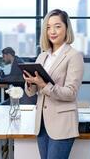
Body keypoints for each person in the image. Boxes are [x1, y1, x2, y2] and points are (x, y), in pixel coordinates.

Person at [23, 9, 84, 159]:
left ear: (66, 28)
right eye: (48, 27)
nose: (52, 31)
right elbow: (31, 92)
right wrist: (30, 83)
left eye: (57, 26)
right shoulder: (42, 56)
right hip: (42, 123)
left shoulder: (74, 56)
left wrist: (44, 85)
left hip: (62, 123)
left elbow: (71, 93)